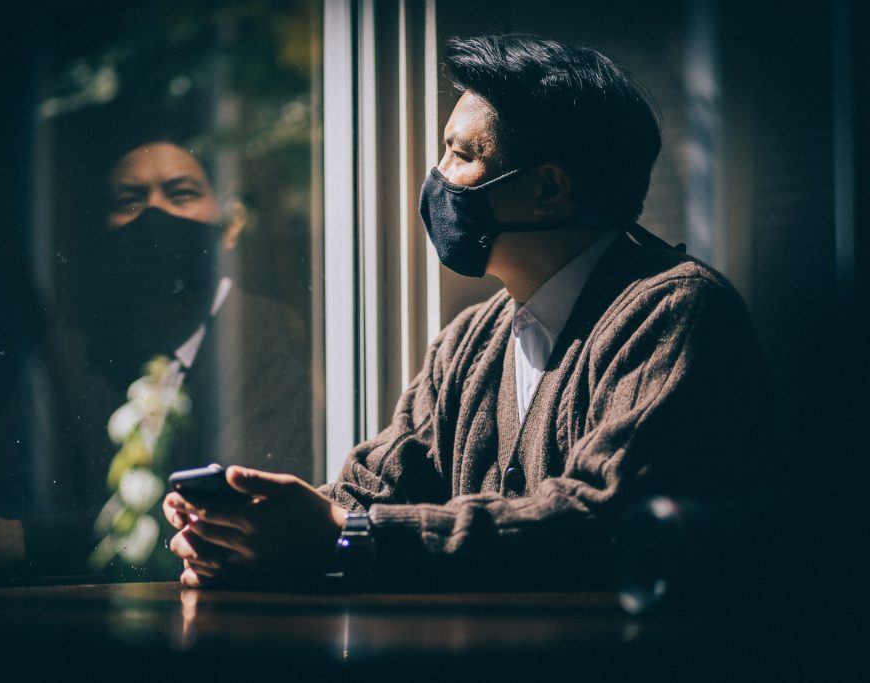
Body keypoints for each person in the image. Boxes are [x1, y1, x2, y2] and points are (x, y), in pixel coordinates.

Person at [162, 34, 773, 590]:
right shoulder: (470, 341)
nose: (437, 179)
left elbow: (600, 521)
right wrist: (247, 529)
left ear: (547, 190)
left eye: (460, 155)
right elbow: (371, 492)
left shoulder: (676, 313)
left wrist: (346, 536)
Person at [0, 140, 310, 580]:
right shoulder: (79, 348)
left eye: (181, 193)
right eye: (131, 201)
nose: (155, 214)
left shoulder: (262, 332)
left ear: (229, 226)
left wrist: (23, 541)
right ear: (104, 230)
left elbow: (236, 515)